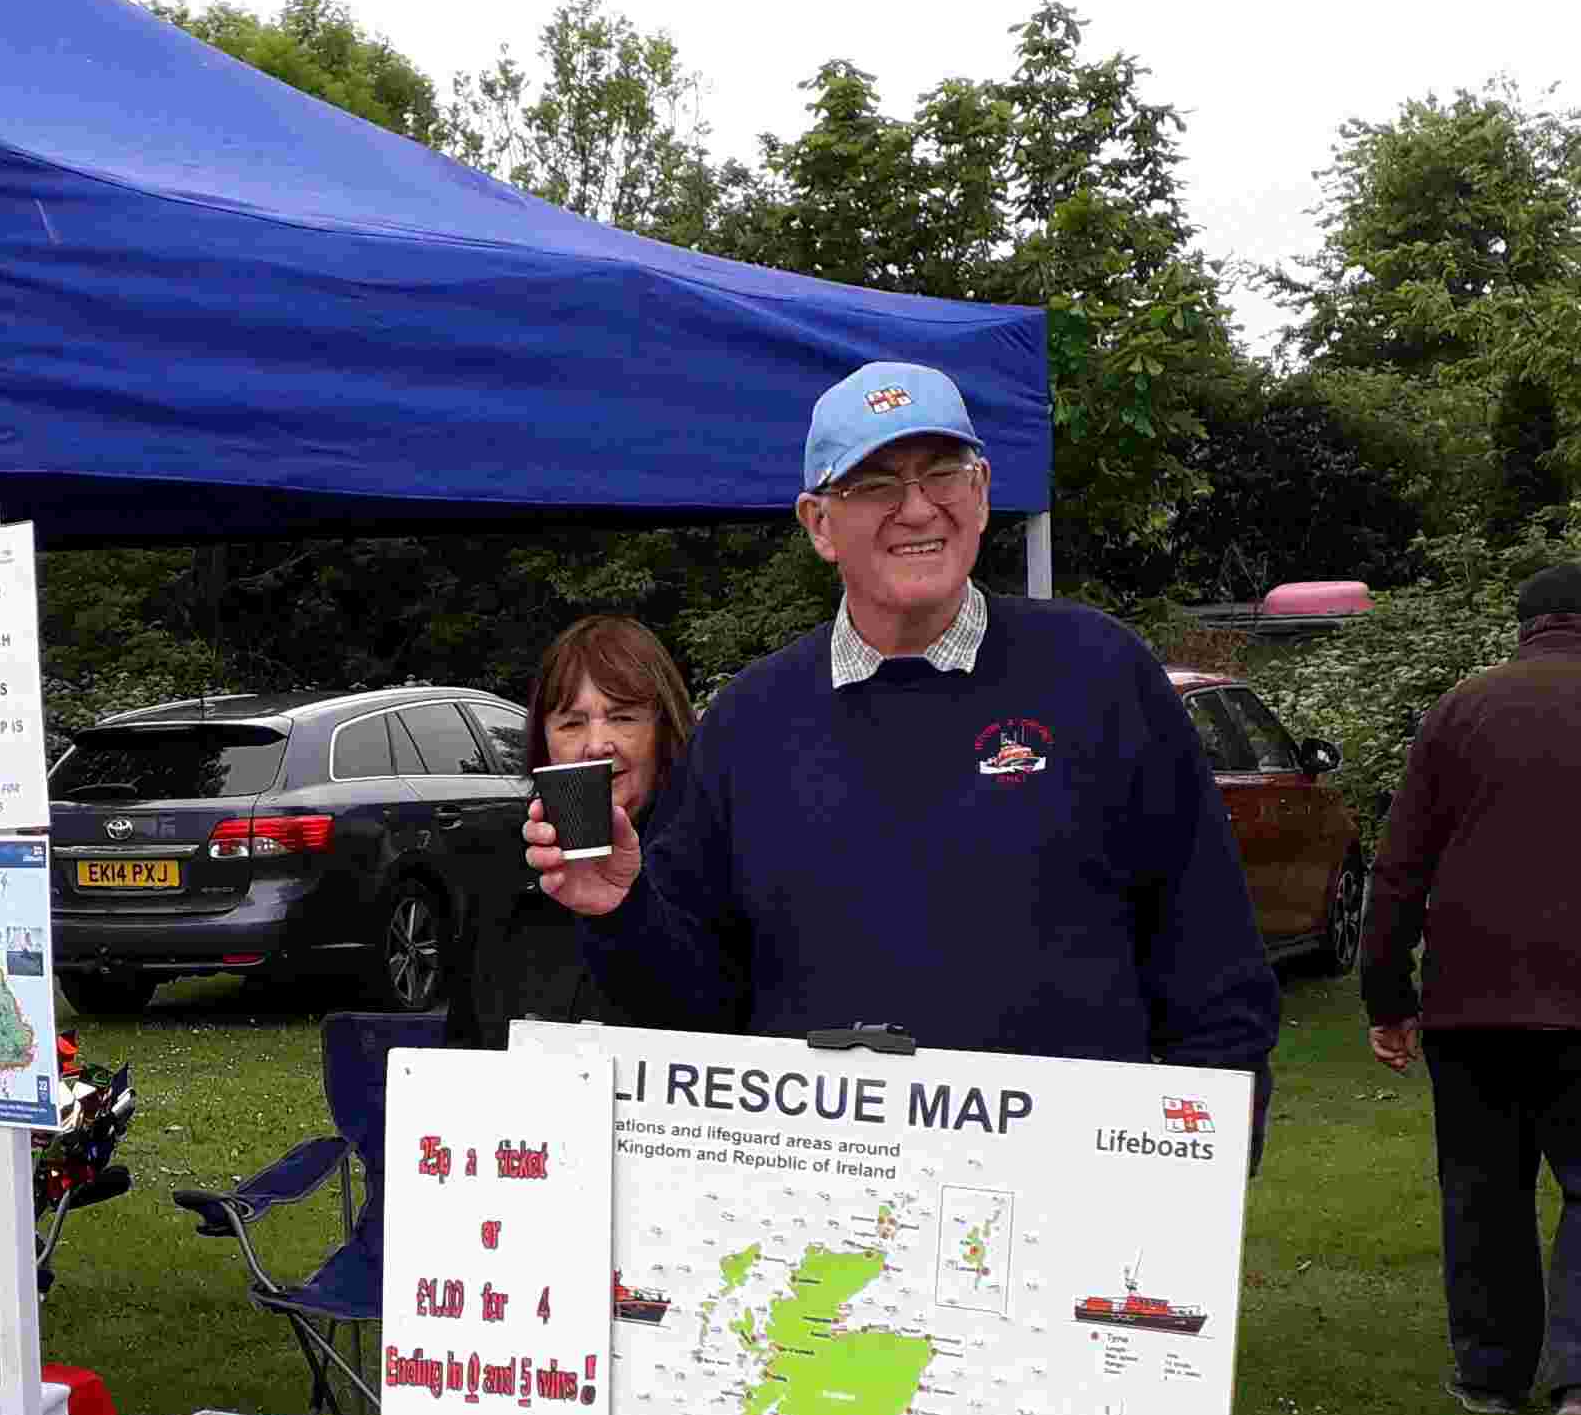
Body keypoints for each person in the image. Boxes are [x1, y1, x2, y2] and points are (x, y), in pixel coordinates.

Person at [529, 361, 1279, 1094]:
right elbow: (701, 1013)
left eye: (942, 473)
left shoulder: (1101, 674)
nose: (918, 508)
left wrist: (1207, 1163)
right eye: (876, 483)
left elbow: (1210, 954)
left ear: (981, 494)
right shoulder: (746, 726)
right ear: (819, 523)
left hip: (1065, 1195)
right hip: (827, 1198)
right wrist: (622, 913)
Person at [1359, 562, 1581, 1415]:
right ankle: (1577, 1377)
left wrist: (1387, 993)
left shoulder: (1463, 708)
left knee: (1483, 1186)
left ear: (1525, 626)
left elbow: (1402, 862)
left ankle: (1491, 1376)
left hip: (1472, 996)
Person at [493, 614, 696, 1034]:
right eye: (571, 722)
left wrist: (626, 915)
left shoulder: (712, 864)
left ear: (664, 729)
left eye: (623, 717)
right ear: (543, 743)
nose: (597, 746)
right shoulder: (505, 884)